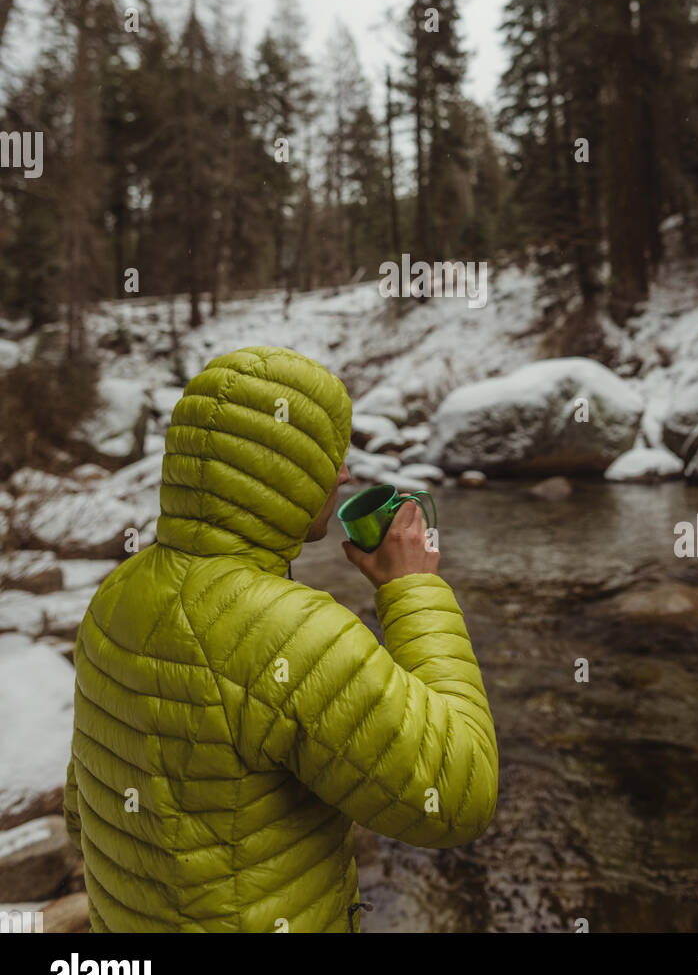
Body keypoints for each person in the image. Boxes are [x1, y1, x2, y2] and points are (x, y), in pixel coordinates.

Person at [62, 346, 498, 933]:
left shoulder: (114, 595)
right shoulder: (289, 632)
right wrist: (413, 589)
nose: (345, 474)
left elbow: (82, 812)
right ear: (280, 469)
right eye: (328, 457)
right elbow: (457, 794)